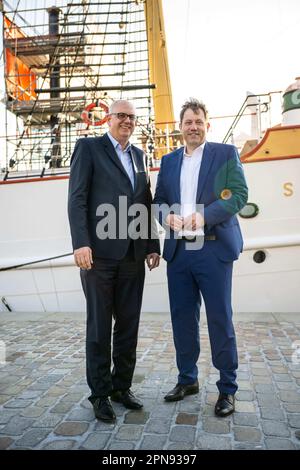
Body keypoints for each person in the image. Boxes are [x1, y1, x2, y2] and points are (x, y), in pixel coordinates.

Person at [153, 98, 248, 417]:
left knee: (220, 318)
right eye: (188, 122)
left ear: (207, 124)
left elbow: (239, 195)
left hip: (213, 249)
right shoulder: (168, 162)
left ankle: (227, 389)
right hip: (180, 252)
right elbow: (159, 202)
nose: (193, 127)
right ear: (180, 127)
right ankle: (187, 379)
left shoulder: (225, 154)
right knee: (182, 318)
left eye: (198, 121)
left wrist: (205, 215)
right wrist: (167, 217)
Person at [68, 100, 160, 422]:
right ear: (108, 118)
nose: (127, 121)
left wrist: (152, 245)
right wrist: (81, 243)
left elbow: (144, 203)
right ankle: (100, 394)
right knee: (99, 327)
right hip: (99, 258)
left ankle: (122, 387)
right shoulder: (89, 148)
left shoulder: (138, 156)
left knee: (128, 326)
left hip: (134, 256)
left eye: (132, 117)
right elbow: (77, 198)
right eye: (121, 115)